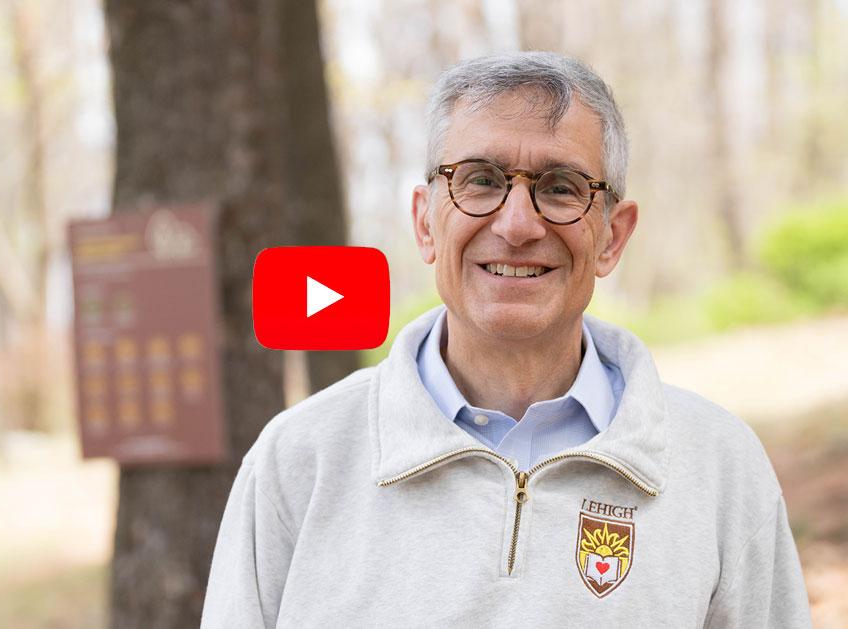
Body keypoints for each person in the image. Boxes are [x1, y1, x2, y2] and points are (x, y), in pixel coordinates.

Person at [200, 51, 812, 628]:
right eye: (481, 180)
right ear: (425, 222)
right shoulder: (299, 461)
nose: (518, 225)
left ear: (613, 237)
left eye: (562, 187)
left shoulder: (720, 467)